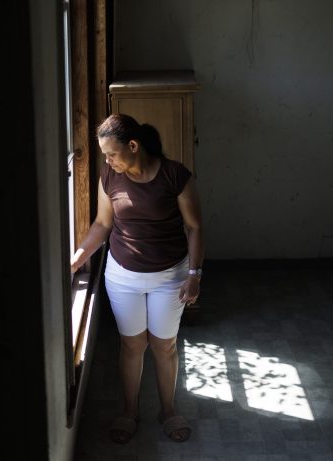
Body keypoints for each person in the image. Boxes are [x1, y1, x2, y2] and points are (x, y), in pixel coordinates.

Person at [70, 114, 204, 444]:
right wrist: (75, 261)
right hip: (122, 277)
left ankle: (168, 410)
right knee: (132, 345)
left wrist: (195, 275)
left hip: (170, 276)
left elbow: (195, 227)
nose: (107, 160)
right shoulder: (108, 177)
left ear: (133, 146)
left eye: (111, 153)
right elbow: (102, 225)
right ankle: (129, 411)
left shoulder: (175, 175)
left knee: (164, 345)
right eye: (104, 155)